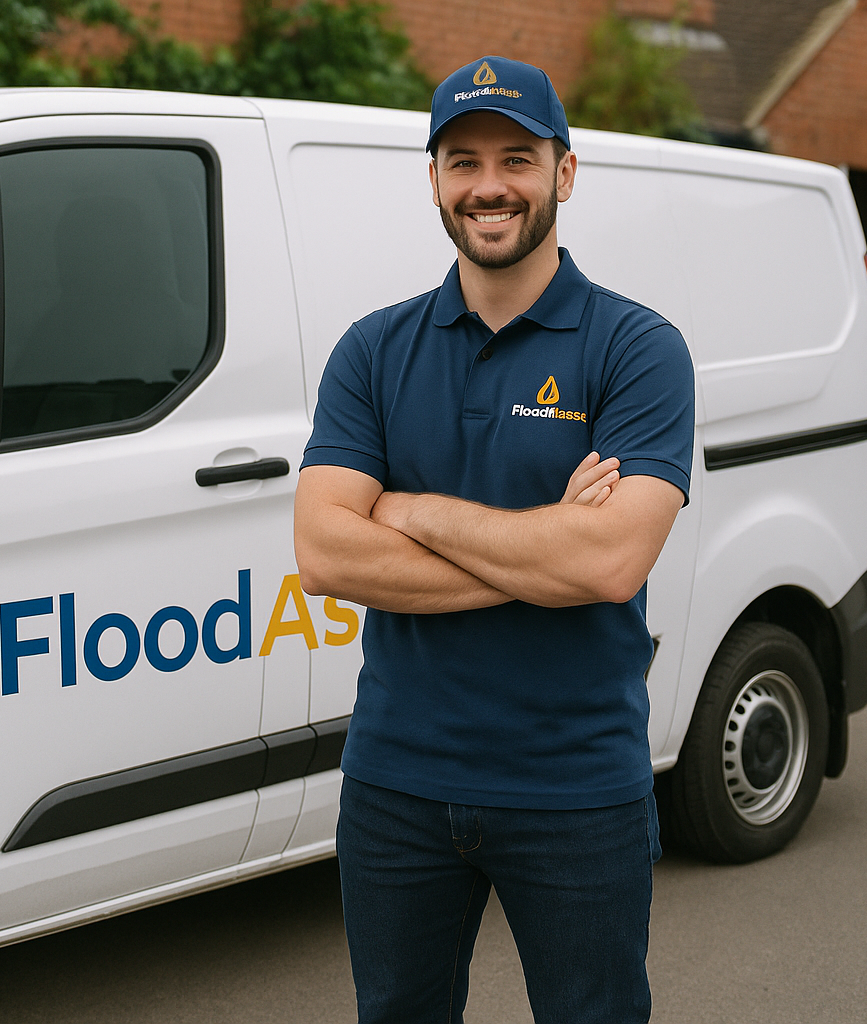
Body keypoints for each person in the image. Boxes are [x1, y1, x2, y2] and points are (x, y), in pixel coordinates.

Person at [293, 55, 695, 1023]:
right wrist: (542, 548)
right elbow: (326, 555)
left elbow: (610, 561)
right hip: (397, 783)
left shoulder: (636, 348)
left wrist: (411, 509)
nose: (489, 185)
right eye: (462, 159)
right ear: (434, 179)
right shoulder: (373, 350)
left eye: (517, 157)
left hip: (577, 788)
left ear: (565, 171)